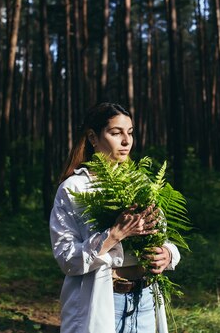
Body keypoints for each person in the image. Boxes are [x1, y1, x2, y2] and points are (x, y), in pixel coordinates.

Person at [49, 102, 181, 333]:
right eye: (115, 132)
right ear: (93, 137)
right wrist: (114, 235)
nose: (126, 141)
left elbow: (163, 237)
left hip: (146, 301)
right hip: (104, 301)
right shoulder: (74, 188)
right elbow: (66, 258)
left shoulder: (141, 183)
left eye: (129, 133)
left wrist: (167, 254)